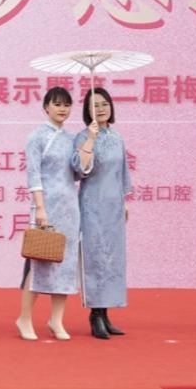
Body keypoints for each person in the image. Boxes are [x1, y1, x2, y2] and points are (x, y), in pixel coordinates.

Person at [16, 86, 80, 341]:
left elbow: (79, 173)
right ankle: (24, 318)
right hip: (46, 207)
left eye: (67, 105)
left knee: (65, 263)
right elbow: (33, 174)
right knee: (39, 261)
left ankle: (56, 320)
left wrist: (89, 144)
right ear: (46, 107)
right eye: (57, 104)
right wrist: (40, 208)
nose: (62, 109)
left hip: (70, 208)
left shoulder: (73, 139)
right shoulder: (37, 137)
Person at [75, 86, 132, 340]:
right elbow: (80, 169)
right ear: (87, 110)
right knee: (95, 257)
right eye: (95, 105)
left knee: (113, 258)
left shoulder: (117, 137)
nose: (101, 109)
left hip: (114, 206)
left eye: (104, 104)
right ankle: (95, 314)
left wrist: (124, 201)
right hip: (92, 205)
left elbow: (122, 173)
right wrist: (90, 139)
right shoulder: (82, 136)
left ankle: (106, 312)